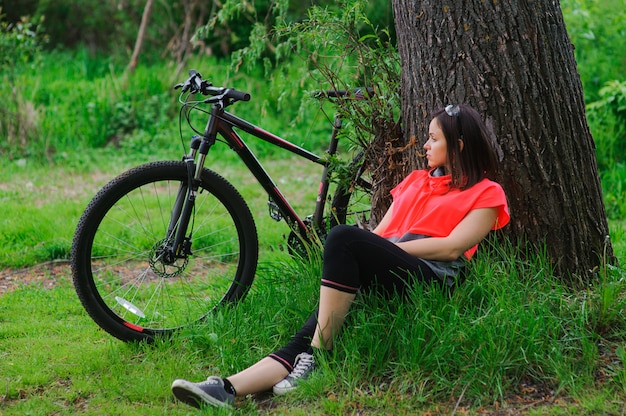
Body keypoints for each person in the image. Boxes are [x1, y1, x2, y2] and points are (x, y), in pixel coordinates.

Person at [171, 104, 510, 409]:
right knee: (308, 331)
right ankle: (228, 389)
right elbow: (377, 238)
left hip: (430, 278)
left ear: (459, 146)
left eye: (433, 139)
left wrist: (378, 251)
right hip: (390, 267)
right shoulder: (415, 182)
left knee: (343, 238)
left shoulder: (487, 193)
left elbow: (452, 247)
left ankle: (320, 356)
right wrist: (371, 254)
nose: (425, 145)